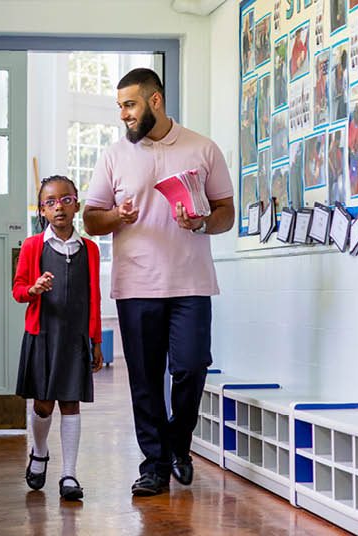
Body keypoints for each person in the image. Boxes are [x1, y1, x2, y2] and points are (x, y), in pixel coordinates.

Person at [83, 69, 235, 496]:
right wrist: (118, 217)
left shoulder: (202, 148)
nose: (123, 115)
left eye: (129, 105)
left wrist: (203, 221)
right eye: (119, 107)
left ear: (155, 101)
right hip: (135, 286)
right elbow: (92, 218)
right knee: (146, 381)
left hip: (191, 283)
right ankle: (154, 464)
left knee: (191, 367)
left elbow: (227, 211)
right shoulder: (114, 155)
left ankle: (178, 444)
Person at [13, 175, 105, 501]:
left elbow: (94, 297)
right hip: (43, 335)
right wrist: (33, 289)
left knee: (70, 404)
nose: (59, 207)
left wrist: (96, 341)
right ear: (42, 210)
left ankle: (69, 473)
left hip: (75, 338)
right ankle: (39, 452)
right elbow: (18, 291)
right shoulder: (32, 246)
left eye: (66, 199)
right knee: (42, 404)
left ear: (76, 204)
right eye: (50, 202)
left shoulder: (90, 250)